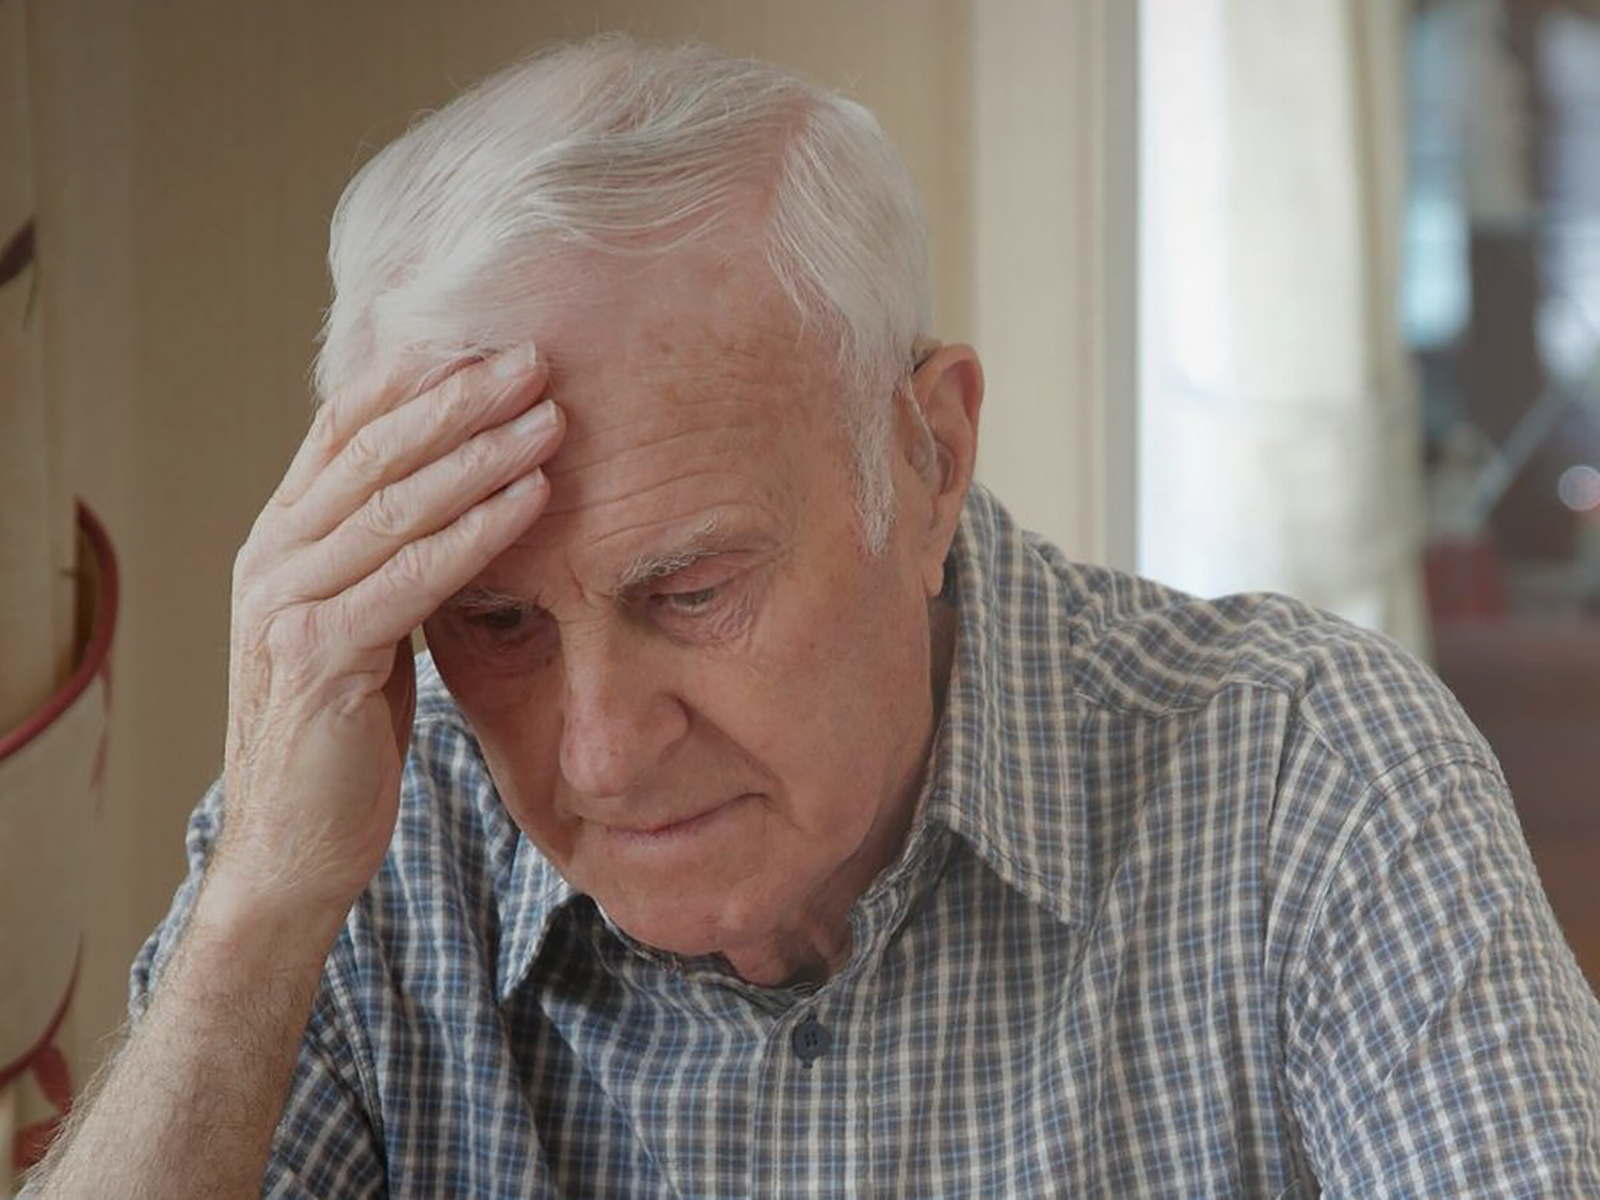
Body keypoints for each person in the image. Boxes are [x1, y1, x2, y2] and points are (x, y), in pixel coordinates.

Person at [30, 34, 1600, 1197]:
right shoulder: (365, 832)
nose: (600, 751)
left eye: (689, 588)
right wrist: (251, 921)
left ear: (927, 459)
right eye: (498, 624)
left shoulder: (1303, 775)